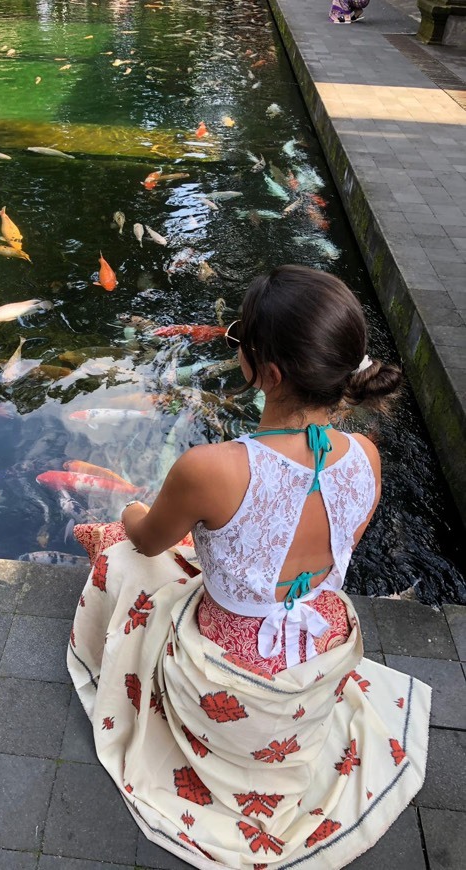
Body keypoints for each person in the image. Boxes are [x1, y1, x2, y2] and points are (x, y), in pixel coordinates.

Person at [68, 265, 430, 870]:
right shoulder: (366, 456)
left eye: (240, 339)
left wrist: (130, 512)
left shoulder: (213, 467)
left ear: (268, 372)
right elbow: (327, 555)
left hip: (227, 668)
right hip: (315, 650)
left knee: (122, 556)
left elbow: (153, 542)